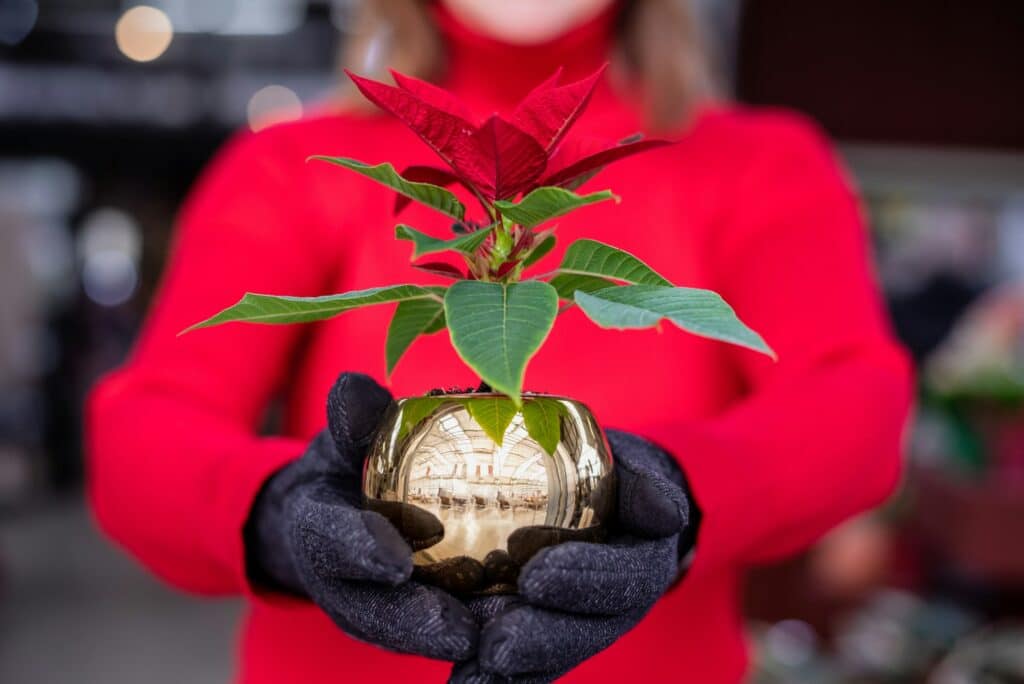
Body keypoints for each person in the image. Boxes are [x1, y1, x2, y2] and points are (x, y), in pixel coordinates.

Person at [86, 1, 913, 682]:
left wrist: (681, 494)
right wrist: (275, 515)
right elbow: (144, 426)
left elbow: (853, 397)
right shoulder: (300, 164)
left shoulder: (757, 162)